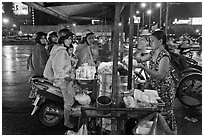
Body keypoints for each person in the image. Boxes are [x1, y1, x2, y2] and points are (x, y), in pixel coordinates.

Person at [134, 30, 177, 134]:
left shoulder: (164, 56)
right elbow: (140, 59)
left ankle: (170, 133)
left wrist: (144, 68)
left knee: (166, 114)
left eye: (152, 41)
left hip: (165, 89)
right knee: (156, 114)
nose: (150, 43)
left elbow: (161, 75)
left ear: (160, 41)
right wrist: (140, 48)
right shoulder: (153, 52)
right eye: (149, 41)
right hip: (155, 87)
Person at [43, 35, 76, 129]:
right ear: (62, 39)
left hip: (62, 78)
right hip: (62, 80)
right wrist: (66, 77)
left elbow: (61, 63)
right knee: (69, 101)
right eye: (68, 39)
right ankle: (67, 122)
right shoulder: (61, 51)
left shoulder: (59, 49)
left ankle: (68, 116)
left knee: (71, 97)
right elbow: (57, 68)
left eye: (71, 39)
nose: (70, 41)